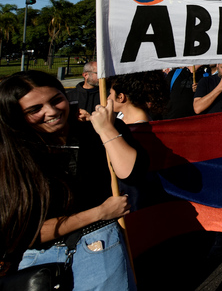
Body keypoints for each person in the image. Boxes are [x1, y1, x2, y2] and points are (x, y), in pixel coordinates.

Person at [0, 71, 144, 290]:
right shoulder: (12, 155)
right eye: (35, 109)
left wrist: (106, 130)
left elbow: (131, 174)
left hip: (102, 247)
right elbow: (25, 233)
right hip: (40, 262)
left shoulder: (97, 130)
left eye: (56, 99)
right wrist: (100, 213)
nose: (51, 111)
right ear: (16, 115)